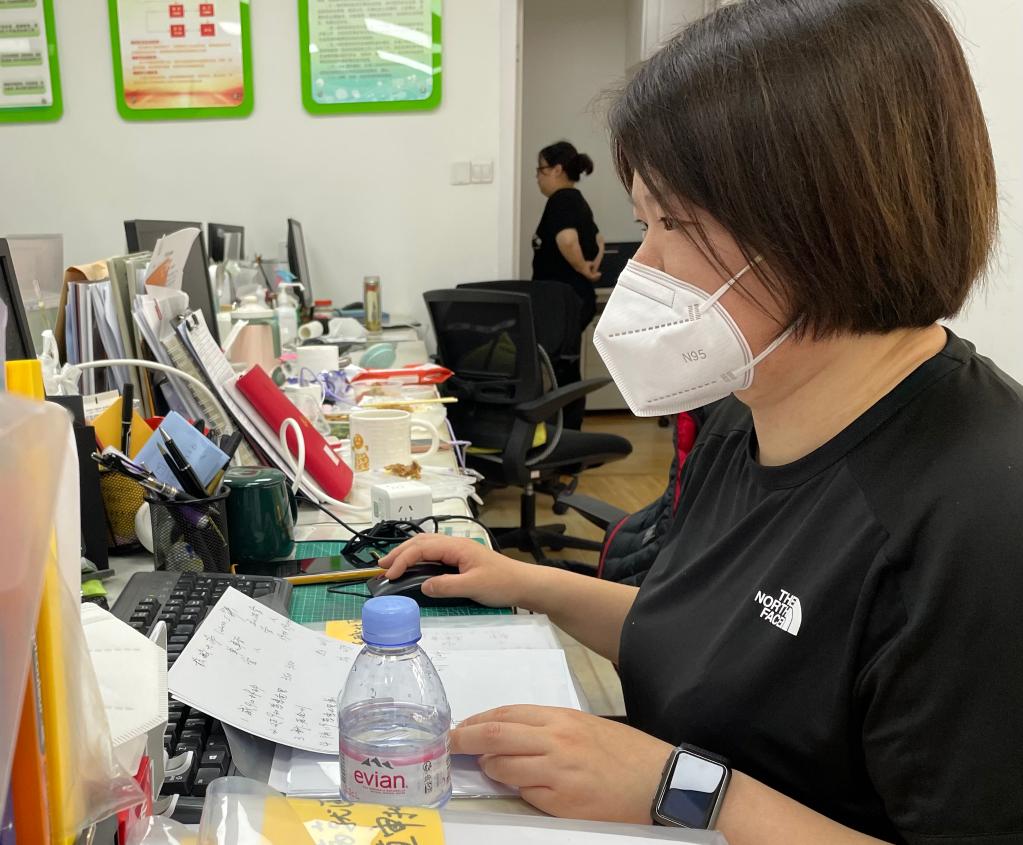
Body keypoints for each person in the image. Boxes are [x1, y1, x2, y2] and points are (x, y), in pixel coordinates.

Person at [381, 1, 1023, 843]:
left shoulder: (982, 516)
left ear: (828, 223)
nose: (641, 266)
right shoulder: (745, 409)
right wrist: (523, 582)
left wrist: (678, 789)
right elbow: (703, 636)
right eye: (642, 223)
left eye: (673, 224)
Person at [531, 140, 605, 330]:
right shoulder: (576, 199)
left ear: (557, 170)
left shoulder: (561, 200)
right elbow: (599, 241)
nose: (537, 176)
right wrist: (590, 267)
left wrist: (583, 268)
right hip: (575, 298)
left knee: (556, 349)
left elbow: (568, 240)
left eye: (540, 169)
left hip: (562, 301)